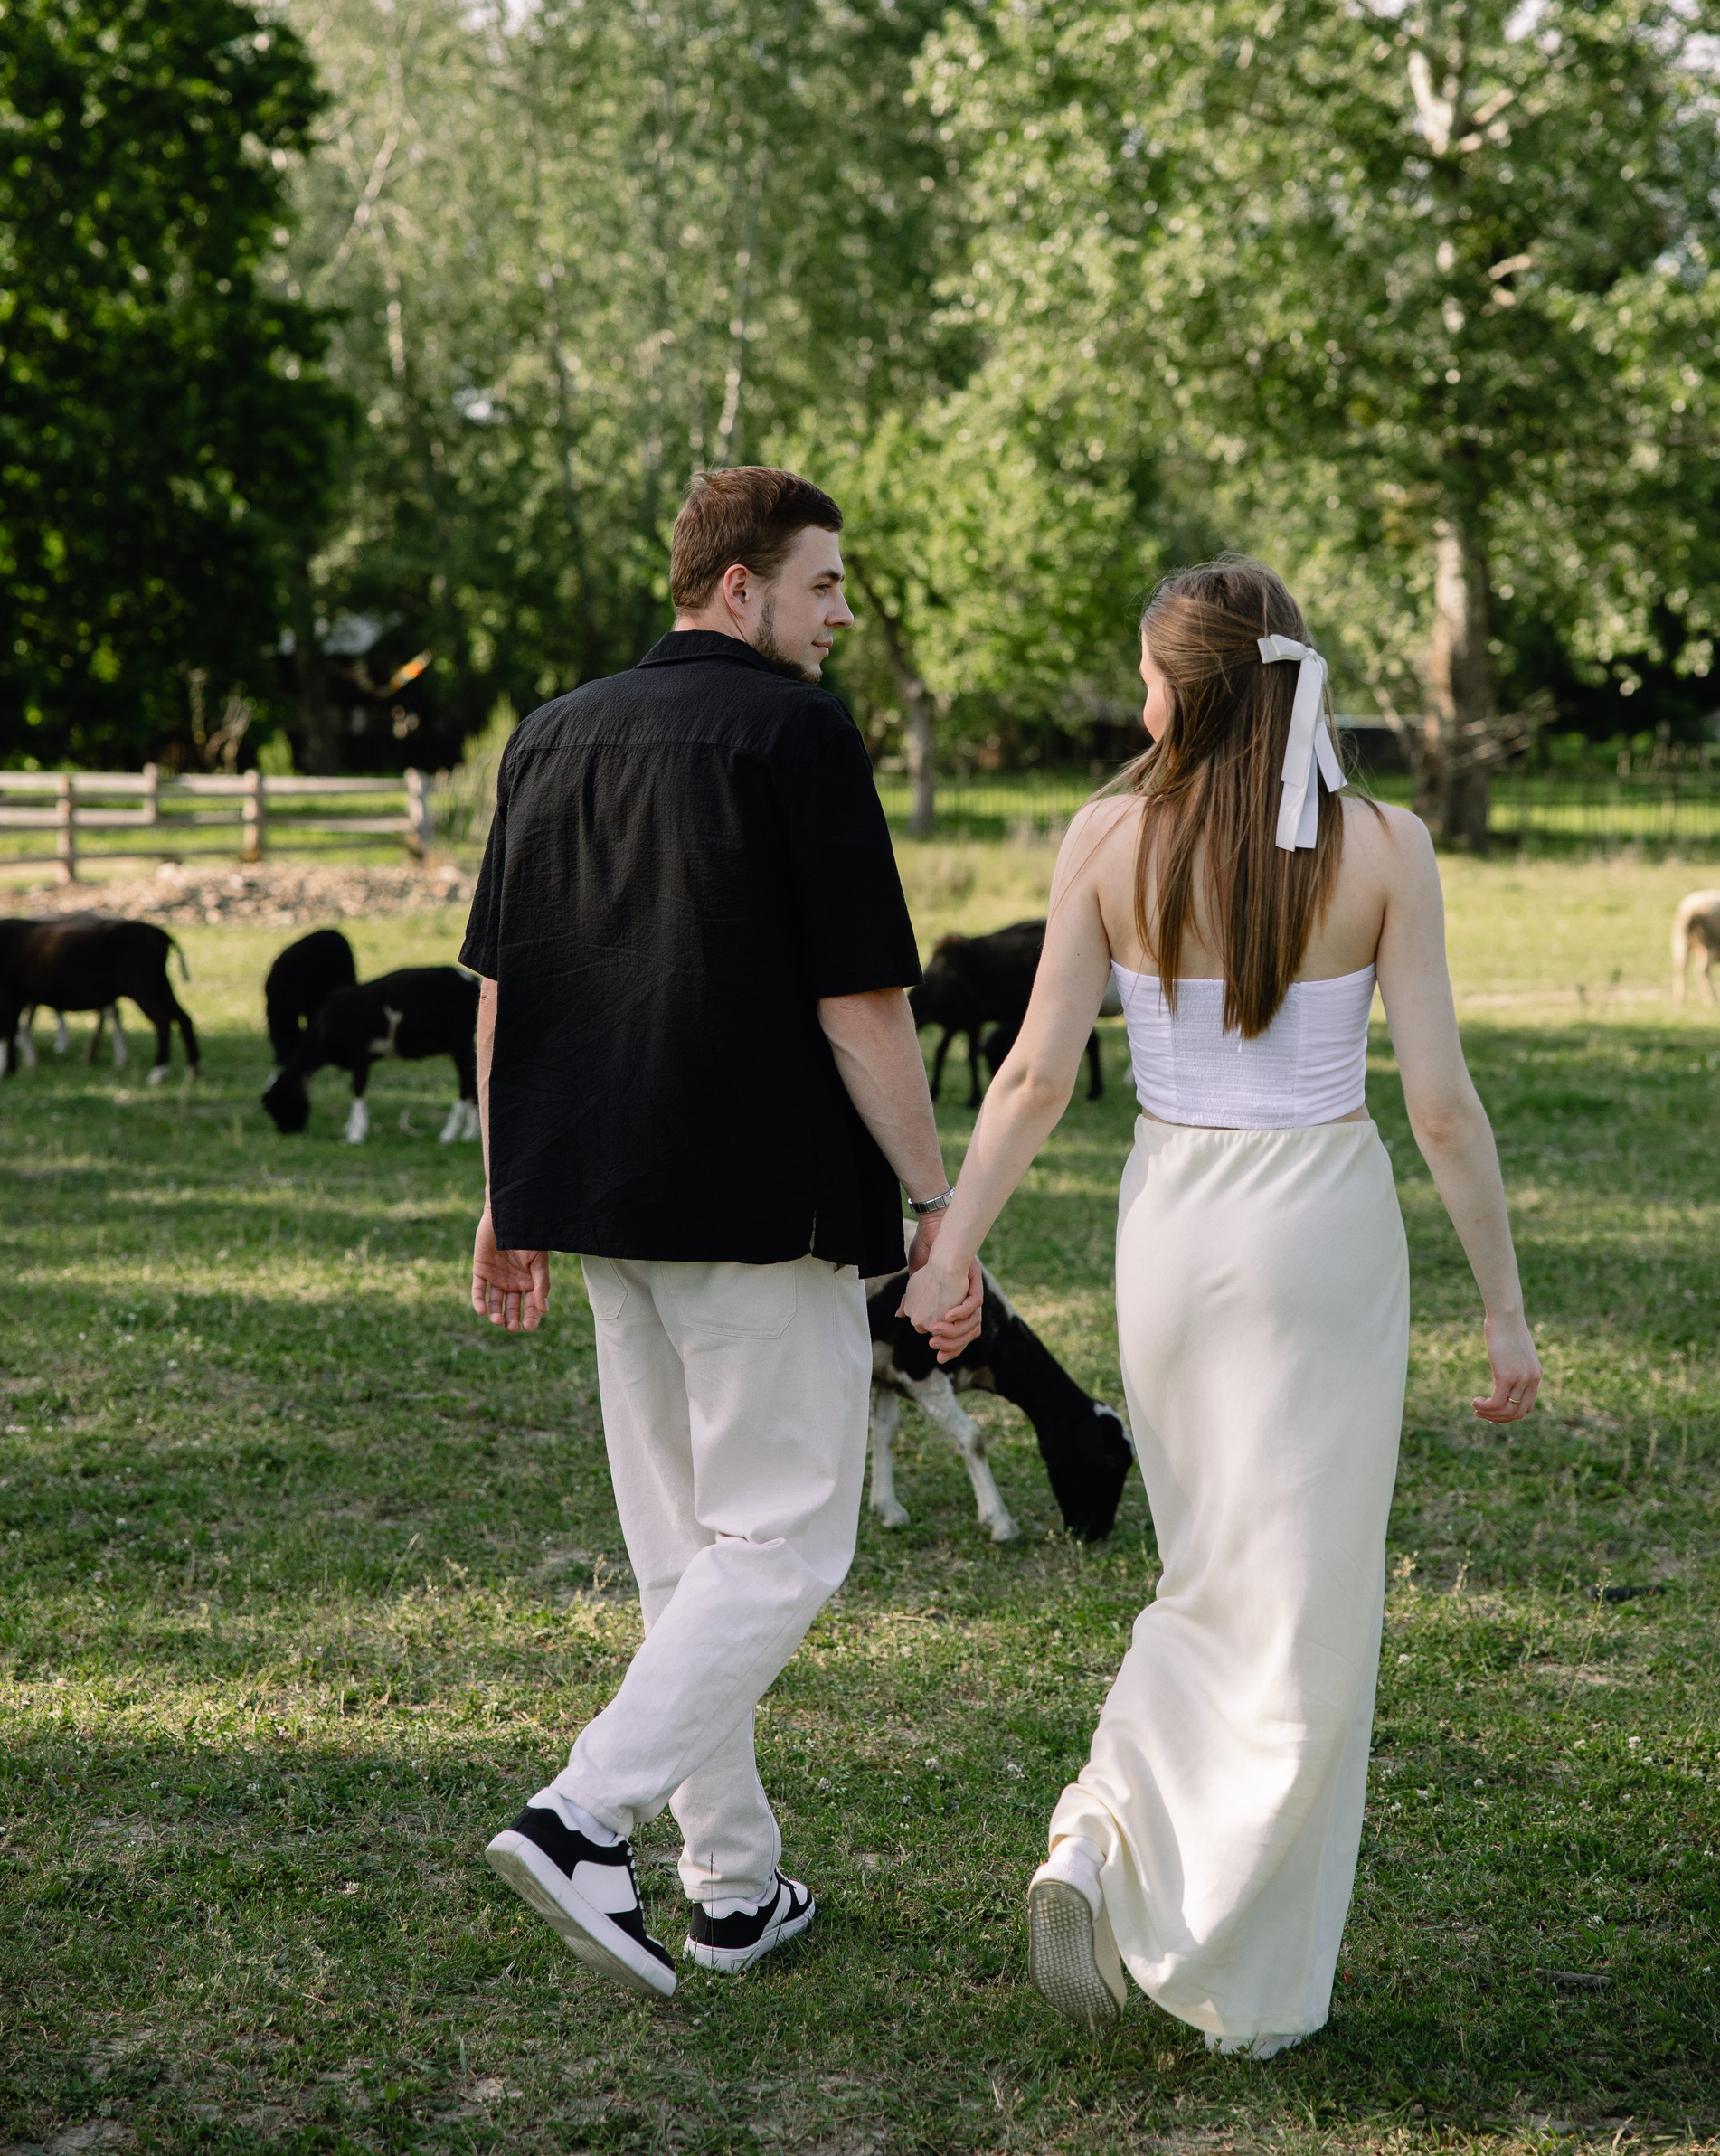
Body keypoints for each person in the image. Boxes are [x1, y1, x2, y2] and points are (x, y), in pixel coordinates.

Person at [903, 558, 1541, 2057]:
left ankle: (1100, 1838)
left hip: (1175, 1226)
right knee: (1303, 1603)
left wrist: (950, 1253)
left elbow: (1034, 1076)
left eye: (1146, 679)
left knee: (1203, 1572)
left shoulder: (1105, 835)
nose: (1138, 707)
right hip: (1321, 1232)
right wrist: (1505, 1312)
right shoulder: (1386, 846)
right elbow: (1441, 1109)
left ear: (1183, 691)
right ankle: (1229, 1963)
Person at [458, 466, 978, 2001]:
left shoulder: (549, 733)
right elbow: (864, 1005)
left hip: (598, 1197)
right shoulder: (799, 734)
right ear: (738, 587)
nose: (840, 616)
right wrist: (939, 1204)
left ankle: (734, 1891)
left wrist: (505, 1189)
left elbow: (502, 994)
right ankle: (583, 1816)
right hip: (755, 1208)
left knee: (687, 1556)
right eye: (823, 585)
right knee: (786, 1539)